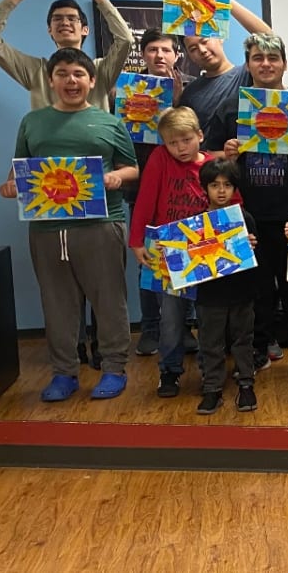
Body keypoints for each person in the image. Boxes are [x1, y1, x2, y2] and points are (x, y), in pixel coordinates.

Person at [0, 48, 138, 401]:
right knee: (57, 303)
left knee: (109, 300)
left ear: (91, 81)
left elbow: (132, 168)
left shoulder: (110, 123)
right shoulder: (32, 122)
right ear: (51, 81)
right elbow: (20, 167)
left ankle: (114, 369)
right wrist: (11, 185)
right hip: (46, 228)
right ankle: (64, 373)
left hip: (101, 223)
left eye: (78, 74)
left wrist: (116, 177)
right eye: (62, 73)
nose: (70, 81)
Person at [206, 32, 288, 375]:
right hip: (249, 214)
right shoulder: (232, 108)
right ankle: (259, 346)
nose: (266, 64)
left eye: (273, 58)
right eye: (258, 58)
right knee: (256, 288)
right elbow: (208, 157)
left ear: (283, 63)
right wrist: (226, 153)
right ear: (248, 64)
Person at [128, 107, 220, 397]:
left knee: (209, 317)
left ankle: (210, 371)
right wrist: (137, 241)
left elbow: (231, 202)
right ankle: (169, 370)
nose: (180, 148)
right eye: (172, 143)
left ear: (200, 135)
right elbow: (145, 199)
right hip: (167, 251)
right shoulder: (160, 158)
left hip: (207, 251)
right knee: (170, 316)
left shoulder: (213, 166)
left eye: (186, 140)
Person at [125, 29, 193, 358]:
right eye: (152, 49)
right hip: (142, 184)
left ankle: (185, 327)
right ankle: (151, 328)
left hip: (183, 189)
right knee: (149, 261)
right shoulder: (129, 88)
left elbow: (189, 132)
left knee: (187, 256)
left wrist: (177, 99)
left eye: (166, 50)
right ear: (143, 54)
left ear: (177, 55)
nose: (159, 56)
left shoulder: (189, 87)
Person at [0, 0, 132, 110]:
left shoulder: (101, 70)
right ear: (49, 30)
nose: (65, 22)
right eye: (57, 19)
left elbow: (125, 40)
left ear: (85, 30)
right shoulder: (36, 71)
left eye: (72, 18)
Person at [193, 159, 259, 415]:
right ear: (205, 188)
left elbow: (255, 260)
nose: (221, 191)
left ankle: (246, 384)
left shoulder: (245, 218)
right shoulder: (196, 223)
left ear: (234, 188)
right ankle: (212, 388)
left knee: (243, 339)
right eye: (214, 185)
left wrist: (251, 247)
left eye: (227, 185)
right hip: (210, 295)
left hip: (241, 291)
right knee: (211, 342)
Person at [176, 0, 272, 136]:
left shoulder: (247, 73)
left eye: (205, 41)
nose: (202, 50)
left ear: (220, 37)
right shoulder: (190, 92)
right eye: (193, 49)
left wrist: (225, 0)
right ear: (189, 56)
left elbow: (268, 38)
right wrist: (175, 102)